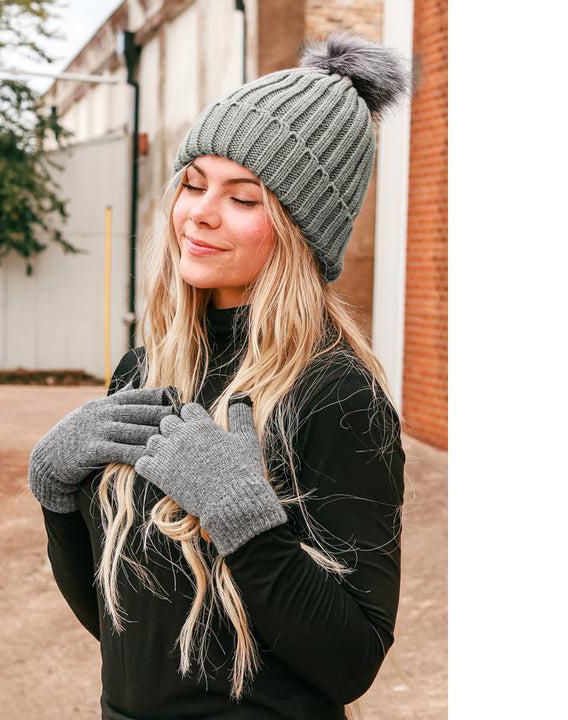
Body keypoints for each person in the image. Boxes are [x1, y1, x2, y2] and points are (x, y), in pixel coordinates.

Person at [29, 32, 411, 720]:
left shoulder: (336, 393)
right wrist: (58, 494)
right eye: (194, 183)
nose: (198, 213)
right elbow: (127, 629)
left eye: (243, 197)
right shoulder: (144, 371)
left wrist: (245, 522)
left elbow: (351, 662)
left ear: (300, 230)